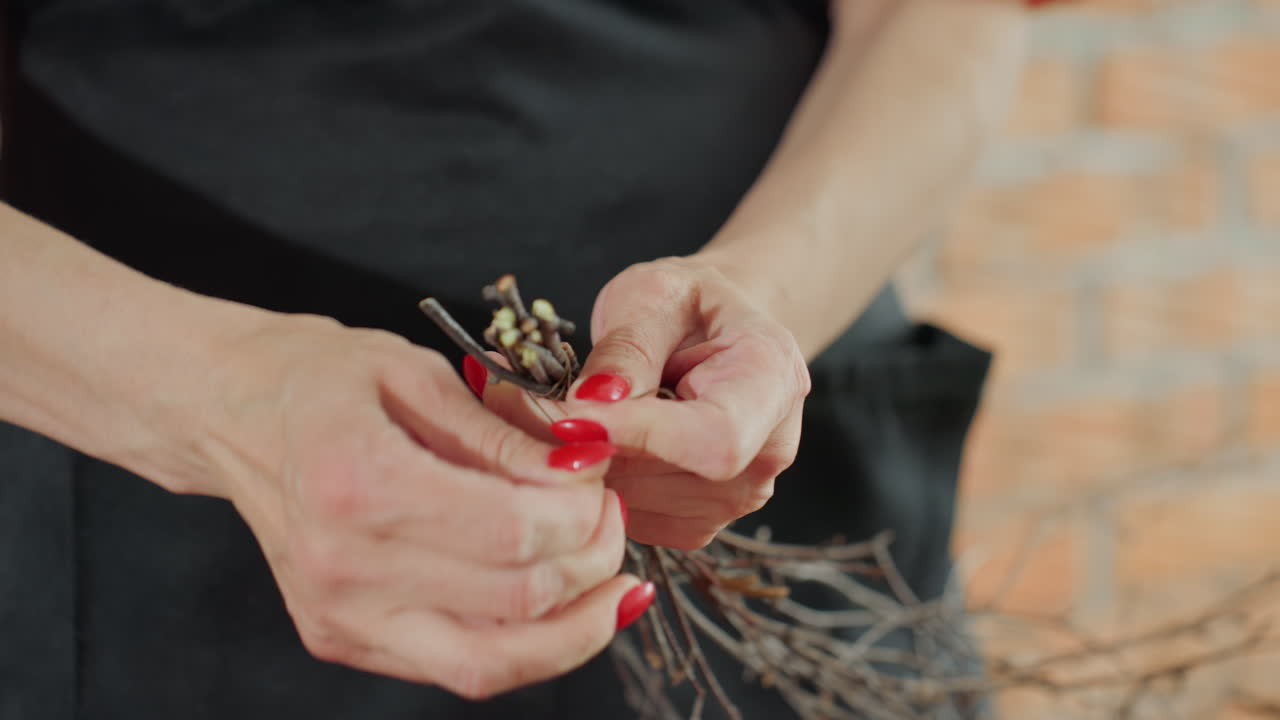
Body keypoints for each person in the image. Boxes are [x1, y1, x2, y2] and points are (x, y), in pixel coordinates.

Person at [0, 1, 1029, 717]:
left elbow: (934, 11)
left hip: (751, 453)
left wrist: (767, 298)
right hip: (160, 517)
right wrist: (214, 397)